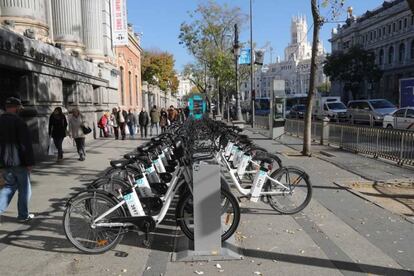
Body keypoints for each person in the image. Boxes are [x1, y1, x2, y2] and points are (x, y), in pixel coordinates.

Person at [0, 97, 35, 222]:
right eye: (19, 107)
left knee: (9, 186)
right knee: (25, 189)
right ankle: (23, 215)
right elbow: (25, 144)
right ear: (16, 107)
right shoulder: (19, 122)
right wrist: (29, 162)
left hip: (4, 161)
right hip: (19, 161)